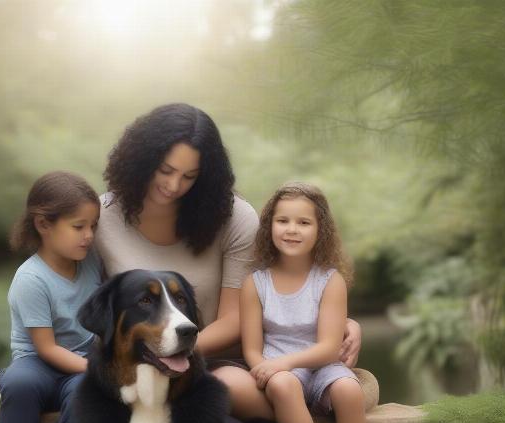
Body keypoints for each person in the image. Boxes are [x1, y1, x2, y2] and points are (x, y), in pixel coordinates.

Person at [94, 103, 363, 369]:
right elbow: (79, 302)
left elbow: (237, 318)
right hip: (135, 365)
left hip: (221, 364)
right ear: (141, 160)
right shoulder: (101, 217)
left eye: (189, 176)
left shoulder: (235, 218)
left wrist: (172, 352)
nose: (174, 186)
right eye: (165, 170)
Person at [232, 182, 393, 423]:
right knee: (284, 385)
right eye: (283, 220)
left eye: (304, 223)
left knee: (349, 391)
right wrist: (266, 367)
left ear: (321, 230)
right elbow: (251, 349)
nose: (292, 229)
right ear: (269, 226)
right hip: (278, 370)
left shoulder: (329, 280)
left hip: (320, 365)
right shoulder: (255, 283)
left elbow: (328, 346)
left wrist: (285, 362)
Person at [0, 171, 102, 423]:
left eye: (93, 226)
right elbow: (45, 347)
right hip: (38, 362)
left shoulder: (90, 263)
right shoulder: (31, 279)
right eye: (79, 226)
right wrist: (94, 369)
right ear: (43, 224)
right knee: (17, 385)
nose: (89, 236)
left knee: (85, 392)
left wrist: (91, 371)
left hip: (79, 365)